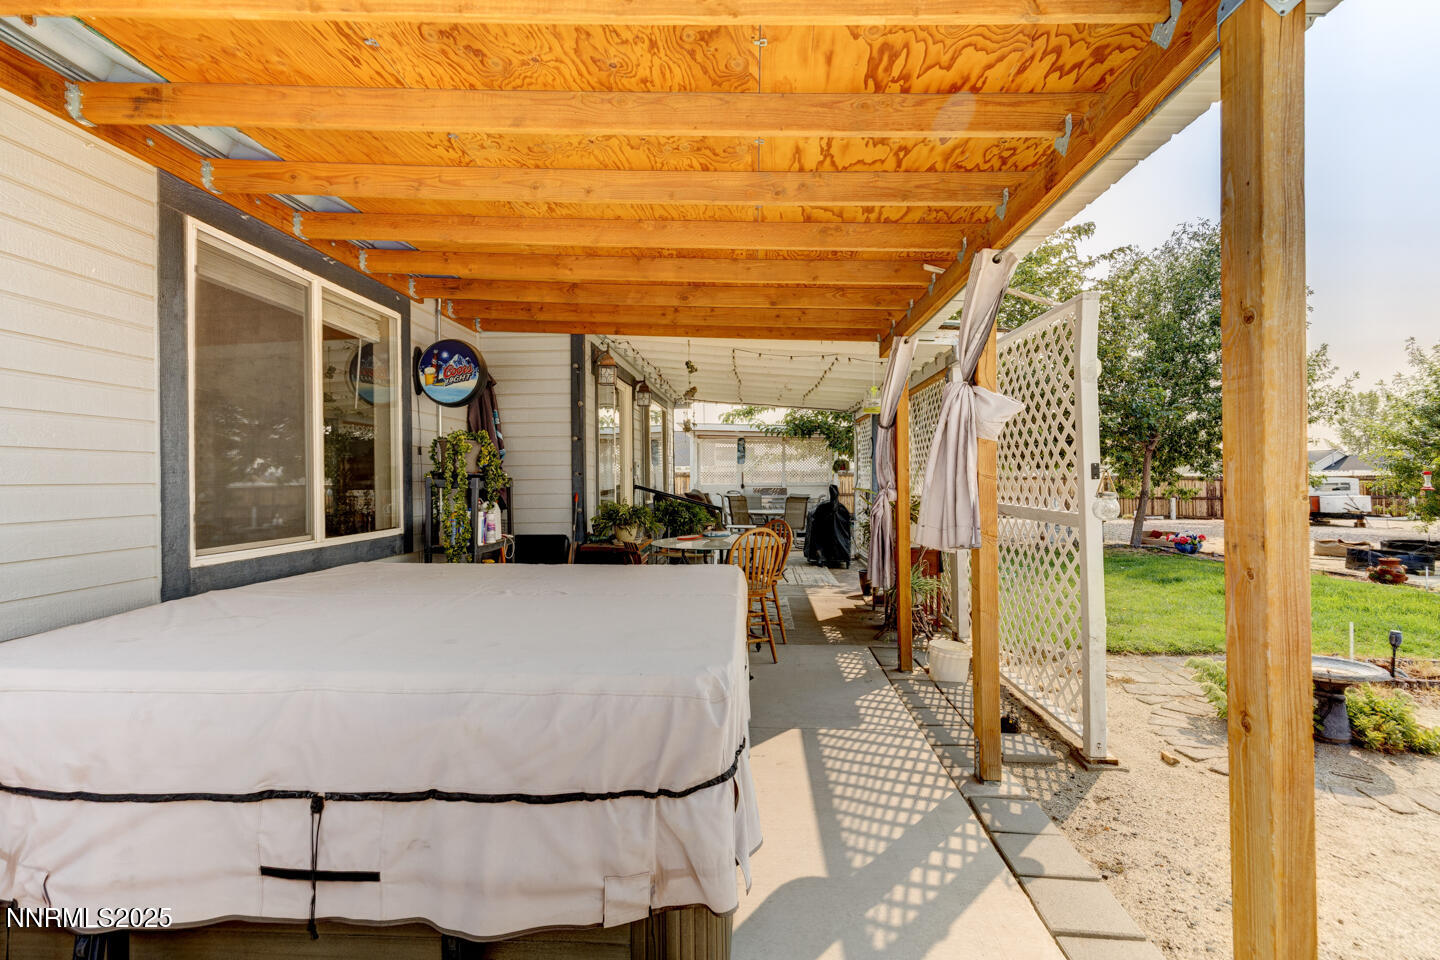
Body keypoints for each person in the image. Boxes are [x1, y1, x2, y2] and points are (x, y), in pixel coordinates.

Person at [804, 484, 852, 568]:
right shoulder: (842, 510)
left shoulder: (822, 508)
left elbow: (814, 519)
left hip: (823, 535)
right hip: (838, 541)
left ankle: (819, 554)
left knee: (816, 530)